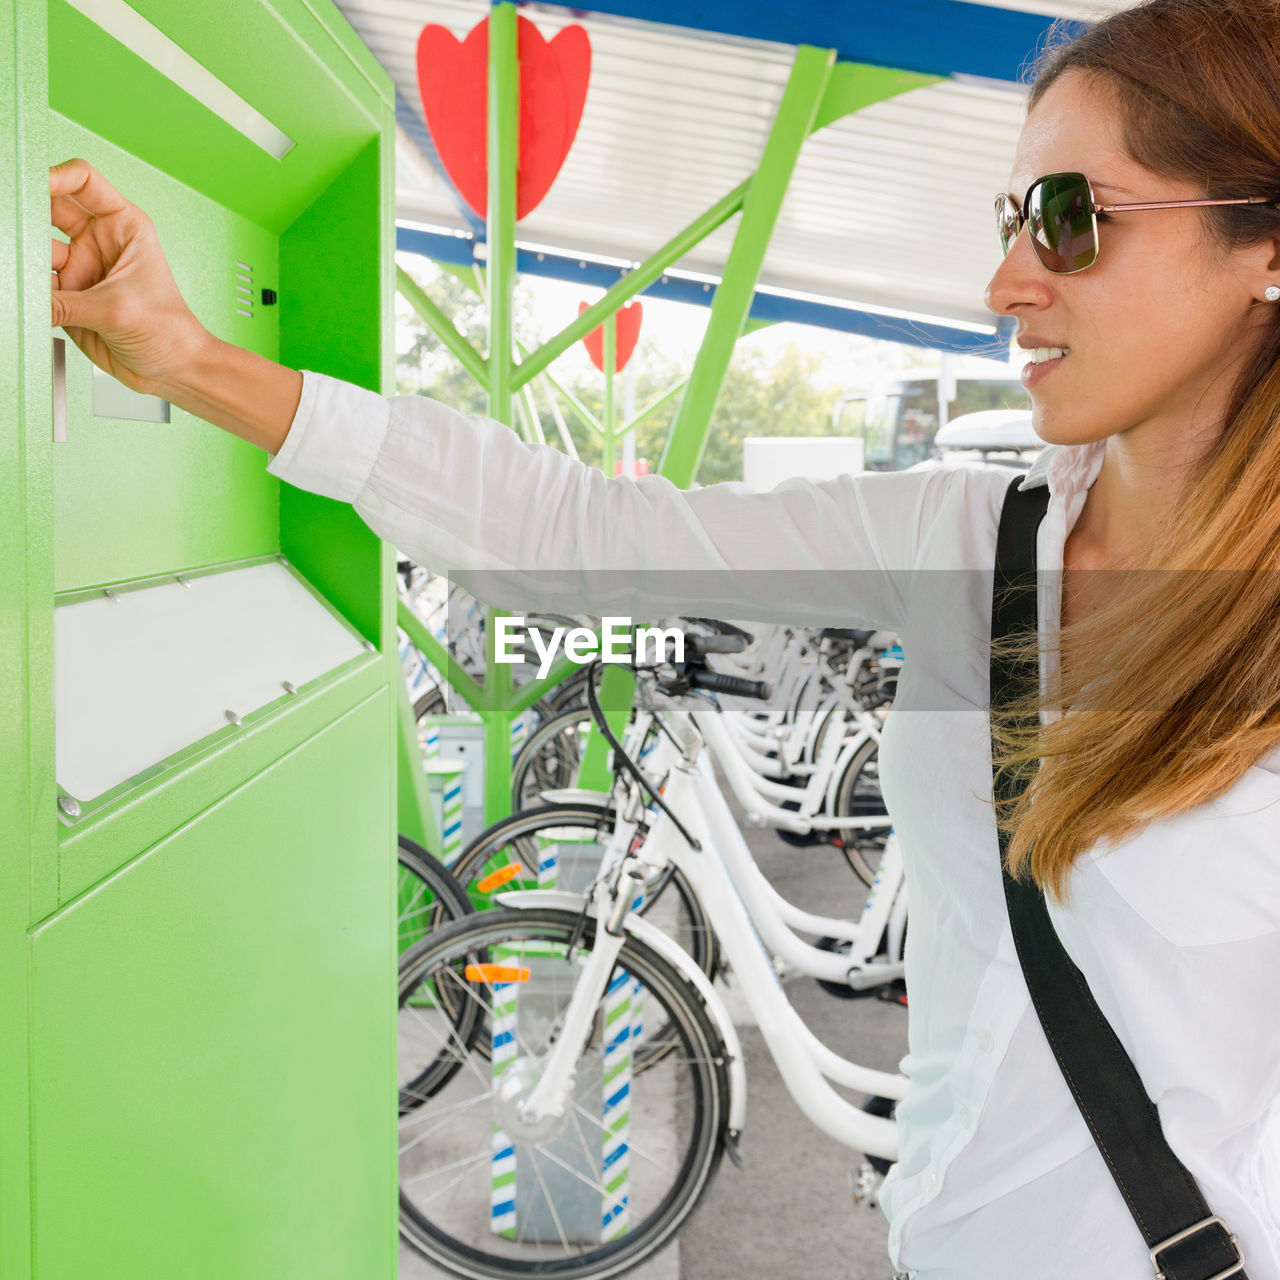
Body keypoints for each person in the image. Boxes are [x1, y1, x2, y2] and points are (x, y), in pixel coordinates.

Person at [46, 0, 1280, 1274]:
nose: (1004, 282)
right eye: (1009, 220)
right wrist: (187, 358)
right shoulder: (970, 538)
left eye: (1072, 217)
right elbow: (573, 529)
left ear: (1262, 245)